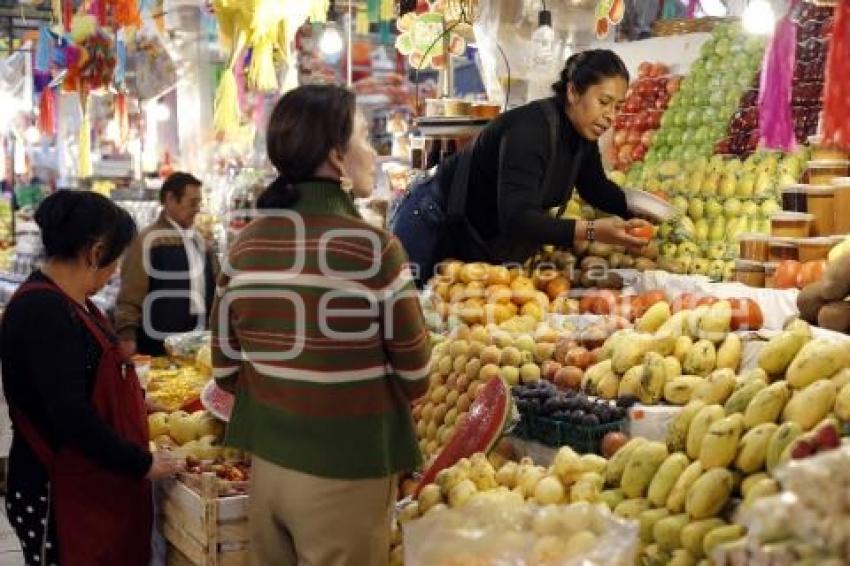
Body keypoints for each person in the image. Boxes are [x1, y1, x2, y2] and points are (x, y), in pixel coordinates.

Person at [211, 85, 431, 566]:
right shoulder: (372, 249)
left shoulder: (244, 248)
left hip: (267, 470)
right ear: (336, 155)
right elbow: (417, 376)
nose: (372, 153)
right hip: (347, 472)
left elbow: (225, 371)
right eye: (363, 137)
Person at [0, 191, 184, 566]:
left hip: (88, 484)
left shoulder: (77, 302)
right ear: (95, 252)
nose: (115, 271)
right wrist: (142, 464)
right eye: (115, 260)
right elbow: (70, 415)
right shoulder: (43, 311)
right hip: (55, 491)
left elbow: (83, 384)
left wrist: (134, 400)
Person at [391, 49, 654, 285]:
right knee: (413, 319)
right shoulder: (529, 131)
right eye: (604, 102)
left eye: (618, 107)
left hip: (473, 235)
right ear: (573, 92)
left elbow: (595, 188)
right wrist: (594, 230)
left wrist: (644, 213)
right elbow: (517, 219)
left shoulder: (580, 134)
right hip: (431, 223)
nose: (611, 116)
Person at [116, 172, 218, 357]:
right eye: (192, 202)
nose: (197, 209)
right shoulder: (147, 241)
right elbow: (131, 293)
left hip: (198, 340)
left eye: (199, 203)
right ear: (171, 199)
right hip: (159, 345)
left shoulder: (198, 240)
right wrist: (127, 334)